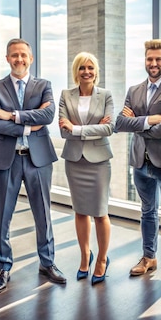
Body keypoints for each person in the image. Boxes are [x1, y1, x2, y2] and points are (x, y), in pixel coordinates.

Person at [0, 38, 66, 293]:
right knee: (4, 216)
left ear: (31, 58)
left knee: (43, 213)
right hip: (6, 160)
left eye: (23, 55)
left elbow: (48, 116)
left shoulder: (44, 85)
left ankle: (47, 263)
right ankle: (4, 266)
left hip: (38, 159)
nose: (19, 59)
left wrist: (11, 115)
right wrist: (31, 124)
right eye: (14, 55)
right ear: (7, 58)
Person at [115, 39, 161, 291]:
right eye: (149, 59)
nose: (153, 63)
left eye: (158, 59)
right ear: (145, 60)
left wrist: (139, 125)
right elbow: (119, 123)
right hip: (140, 162)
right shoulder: (134, 90)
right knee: (147, 212)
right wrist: (149, 121)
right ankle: (149, 257)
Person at [58, 52, 114, 285]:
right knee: (80, 211)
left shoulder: (106, 95)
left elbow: (110, 128)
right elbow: (62, 130)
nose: (86, 72)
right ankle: (85, 256)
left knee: (100, 213)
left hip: (99, 161)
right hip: (74, 160)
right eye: (82, 68)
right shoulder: (65, 95)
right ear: (76, 71)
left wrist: (77, 129)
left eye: (90, 67)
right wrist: (91, 128)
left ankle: (101, 259)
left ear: (96, 71)